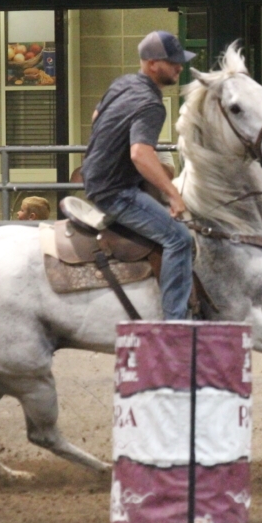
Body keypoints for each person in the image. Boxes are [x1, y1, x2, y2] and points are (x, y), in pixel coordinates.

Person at [81, 30, 195, 321]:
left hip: (95, 179)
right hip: (116, 191)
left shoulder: (123, 84)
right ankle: (176, 323)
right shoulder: (151, 105)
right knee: (180, 239)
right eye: (173, 62)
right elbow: (140, 154)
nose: (179, 67)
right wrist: (173, 195)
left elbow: (96, 117)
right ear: (153, 64)